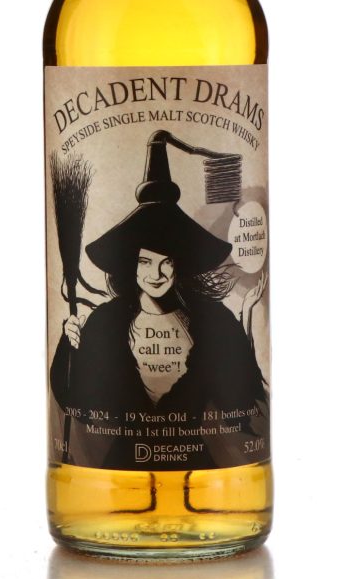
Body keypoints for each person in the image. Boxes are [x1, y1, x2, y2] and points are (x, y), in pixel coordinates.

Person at [50, 132, 267, 426]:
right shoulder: (104, 322)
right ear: (132, 265)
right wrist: (69, 342)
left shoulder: (215, 320)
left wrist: (247, 320)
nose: (156, 274)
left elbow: (243, 399)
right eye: (145, 262)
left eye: (167, 263)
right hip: (119, 454)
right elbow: (74, 399)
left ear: (179, 265)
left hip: (198, 454)